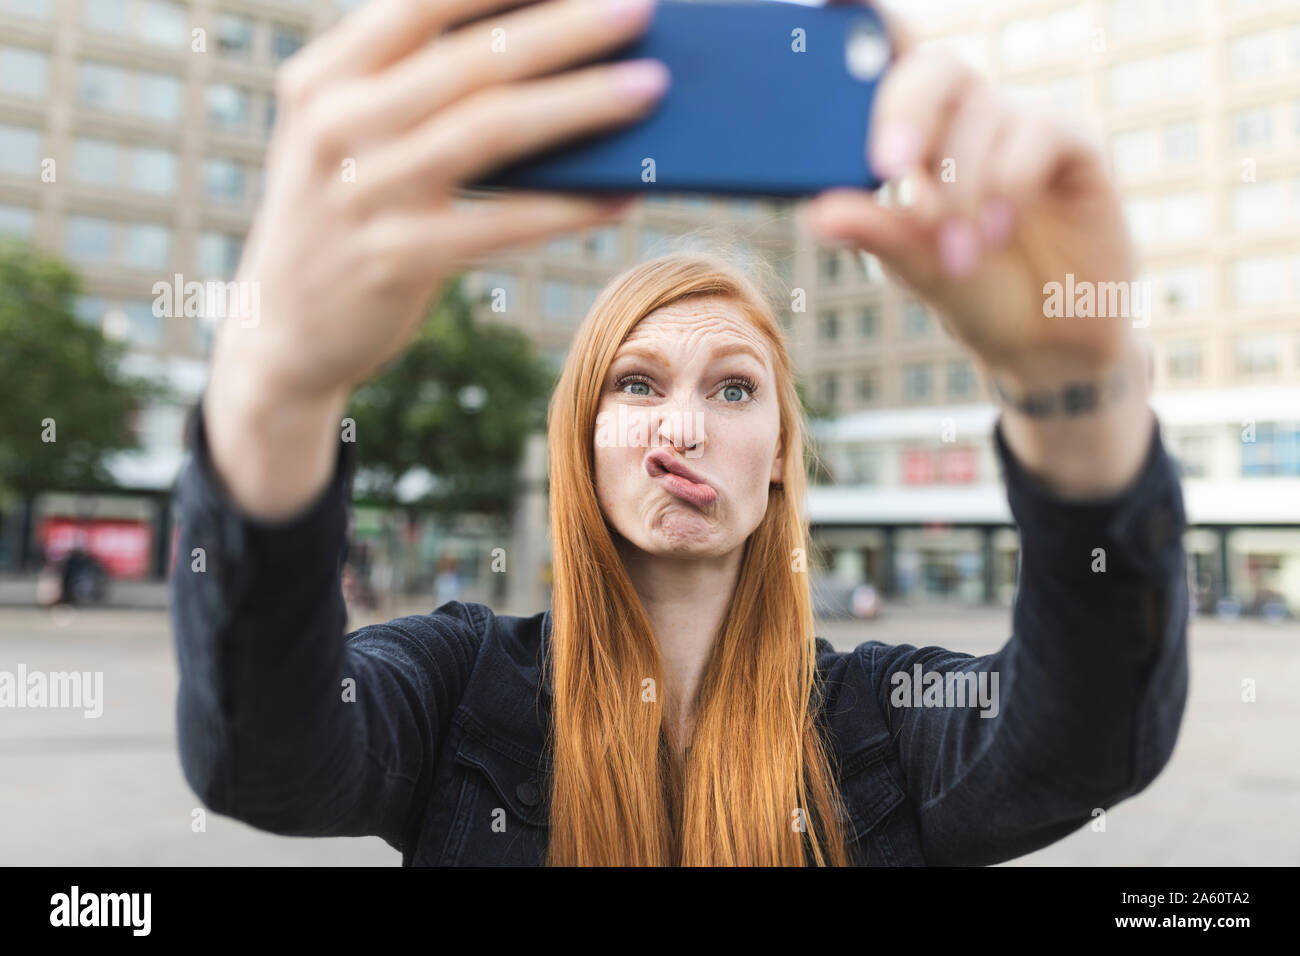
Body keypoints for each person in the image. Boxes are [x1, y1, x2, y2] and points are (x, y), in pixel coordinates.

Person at [170, 0, 1189, 866]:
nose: (686, 426)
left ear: (785, 452)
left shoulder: (882, 715)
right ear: (584, 440)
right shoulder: (452, 684)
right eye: (637, 384)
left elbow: (1085, 743)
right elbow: (263, 758)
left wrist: (1076, 392)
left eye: (737, 390)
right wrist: (277, 390)